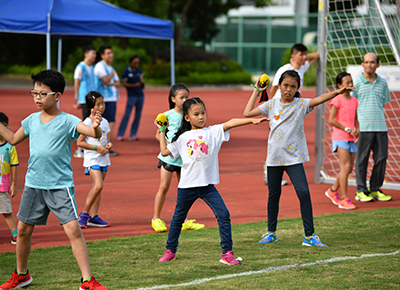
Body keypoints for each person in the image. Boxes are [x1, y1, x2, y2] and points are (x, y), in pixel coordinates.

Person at [0, 70, 108, 289]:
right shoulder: (31, 120)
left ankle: (87, 280)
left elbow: (91, 132)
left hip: (60, 186)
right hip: (33, 185)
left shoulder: (68, 120)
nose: (37, 98)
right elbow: (11, 138)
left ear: (57, 96)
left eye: (42, 94)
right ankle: (22, 275)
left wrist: (96, 128)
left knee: (73, 230)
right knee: (23, 231)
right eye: (34, 93)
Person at [244, 70, 353, 247]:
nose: (288, 89)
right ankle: (271, 232)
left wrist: (337, 92)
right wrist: (257, 90)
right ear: (279, 86)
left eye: (293, 86)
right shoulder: (271, 105)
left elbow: (320, 99)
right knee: (274, 195)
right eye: (285, 85)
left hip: (293, 158)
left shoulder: (301, 104)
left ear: (297, 88)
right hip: (274, 159)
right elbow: (247, 112)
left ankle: (309, 236)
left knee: (303, 193)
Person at [156, 97, 268, 264]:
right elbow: (164, 152)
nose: (201, 117)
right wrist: (162, 130)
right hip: (187, 187)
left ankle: (227, 253)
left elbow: (230, 123)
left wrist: (252, 120)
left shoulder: (212, 131)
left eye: (203, 113)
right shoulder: (182, 138)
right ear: (187, 118)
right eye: (196, 114)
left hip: (207, 187)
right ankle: (170, 251)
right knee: (178, 219)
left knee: (223, 214)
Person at [264, 43, 320, 186]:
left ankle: (279, 169)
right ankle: (269, 170)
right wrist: (270, 107)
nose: (303, 57)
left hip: (292, 108)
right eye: (300, 54)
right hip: (279, 107)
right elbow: (274, 87)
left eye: (304, 55)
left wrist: (304, 58)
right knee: (277, 140)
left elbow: (317, 56)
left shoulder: (302, 67)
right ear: (292, 55)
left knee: (288, 138)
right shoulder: (285, 69)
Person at [152, 84, 204, 233]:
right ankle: (156, 218)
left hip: (184, 160)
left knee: (184, 190)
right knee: (164, 187)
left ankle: (185, 221)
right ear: (173, 99)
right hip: (168, 158)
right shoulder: (167, 115)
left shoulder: (190, 115)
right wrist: (170, 147)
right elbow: (158, 134)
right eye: (182, 97)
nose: (185, 100)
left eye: (187, 97)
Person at [353, 53, 392, 202]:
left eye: (372, 62)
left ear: (378, 65)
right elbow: (352, 106)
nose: (369, 65)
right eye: (366, 62)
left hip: (381, 127)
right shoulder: (356, 83)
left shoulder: (383, 83)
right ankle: (361, 190)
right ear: (362, 64)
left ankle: (375, 188)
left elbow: (383, 102)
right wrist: (355, 126)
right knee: (362, 159)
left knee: (382, 158)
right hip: (364, 127)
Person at [77, 91, 112, 228]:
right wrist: (96, 147)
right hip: (92, 159)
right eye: (98, 104)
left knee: (97, 188)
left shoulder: (105, 122)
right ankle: (84, 214)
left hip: (104, 159)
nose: (102, 106)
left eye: (102, 103)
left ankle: (94, 216)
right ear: (91, 107)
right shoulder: (86, 122)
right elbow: (80, 143)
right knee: (98, 185)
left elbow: (107, 141)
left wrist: (109, 145)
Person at [325, 72, 359, 210]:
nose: (350, 85)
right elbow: (331, 120)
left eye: (351, 82)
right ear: (339, 85)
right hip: (340, 137)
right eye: (347, 82)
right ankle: (344, 198)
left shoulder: (354, 100)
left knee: (349, 168)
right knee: (345, 167)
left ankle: (332, 191)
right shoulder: (338, 99)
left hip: (351, 137)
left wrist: (357, 130)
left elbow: (355, 120)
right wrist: (346, 128)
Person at [94, 44, 120, 156]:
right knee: (105, 122)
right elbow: (105, 80)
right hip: (105, 98)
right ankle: (105, 146)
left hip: (112, 98)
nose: (111, 55)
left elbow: (118, 83)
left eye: (111, 52)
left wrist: (111, 81)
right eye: (108, 53)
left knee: (111, 122)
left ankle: (107, 145)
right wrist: (111, 77)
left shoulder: (111, 68)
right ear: (102, 55)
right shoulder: (100, 66)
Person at [73, 45, 97, 158]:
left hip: (90, 98)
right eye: (93, 53)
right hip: (83, 98)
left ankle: (84, 146)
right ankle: (79, 148)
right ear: (86, 54)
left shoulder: (91, 67)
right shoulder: (80, 67)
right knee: (85, 122)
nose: (94, 56)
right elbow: (76, 84)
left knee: (89, 121)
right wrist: (77, 98)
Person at [0, 112, 19, 245]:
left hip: (3, 185)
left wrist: (13, 184)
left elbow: (13, 165)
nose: (5, 129)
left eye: (6, 126)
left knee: (6, 211)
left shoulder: (10, 146)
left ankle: (15, 234)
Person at [117, 54, 145, 141]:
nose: (137, 63)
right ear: (131, 62)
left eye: (138, 62)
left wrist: (141, 84)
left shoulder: (139, 71)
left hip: (140, 95)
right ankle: (120, 133)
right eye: (135, 62)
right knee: (127, 114)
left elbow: (141, 81)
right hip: (131, 96)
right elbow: (124, 83)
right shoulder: (126, 71)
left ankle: (133, 133)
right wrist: (134, 85)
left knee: (138, 115)